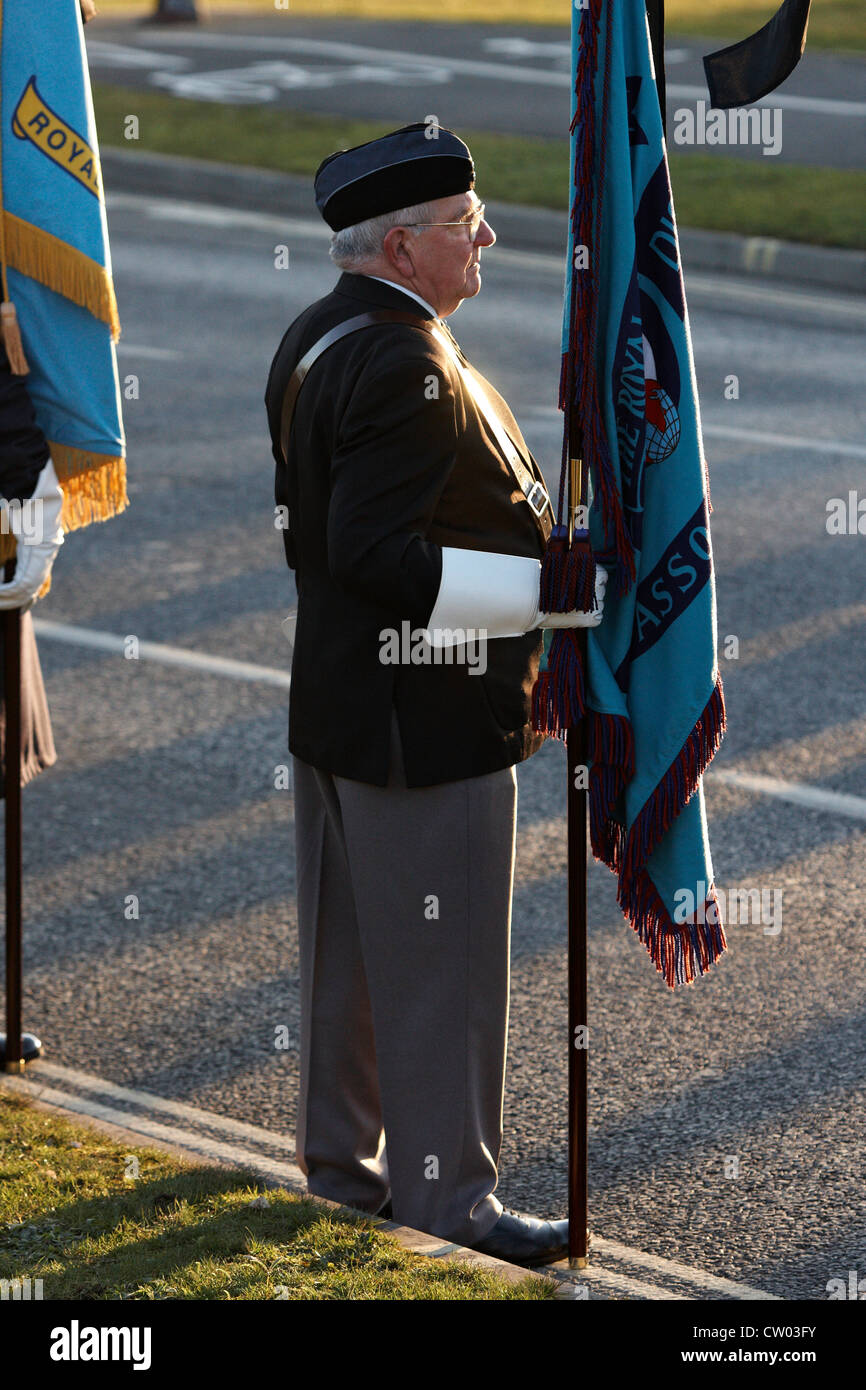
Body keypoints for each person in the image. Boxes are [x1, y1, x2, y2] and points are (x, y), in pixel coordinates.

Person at [265, 123, 606, 1266]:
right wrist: (540, 592)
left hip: (342, 711)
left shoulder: (319, 332)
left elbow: (313, 540)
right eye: (465, 226)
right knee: (442, 974)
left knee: (348, 962)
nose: (486, 238)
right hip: (428, 720)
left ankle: (340, 1169)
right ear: (402, 246)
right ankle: (449, 1202)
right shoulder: (406, 363)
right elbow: (376, 553)